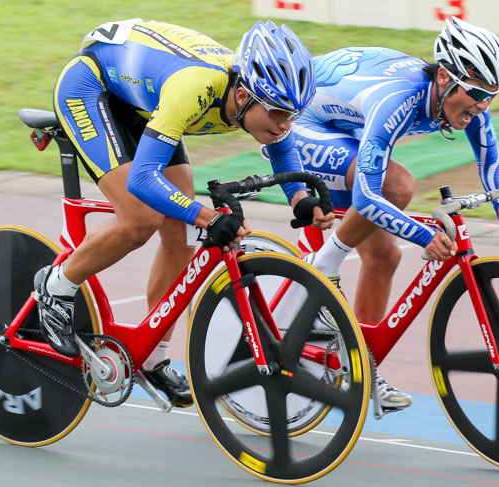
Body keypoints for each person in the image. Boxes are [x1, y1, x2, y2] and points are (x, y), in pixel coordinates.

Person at [31, 18, 332, 407]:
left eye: (293, 114)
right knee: (141, 218)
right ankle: (56, 286)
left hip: (146, 101)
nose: (285, 124)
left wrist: (298, 198)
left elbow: (281, 147)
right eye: (277, 114)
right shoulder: (196, 89)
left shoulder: (266, 99)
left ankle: (152, 357)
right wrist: (208, 217)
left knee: (181, 232)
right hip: (92, 89)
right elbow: (142, 180)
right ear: (243, 97)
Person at [280, 17, 499, 413]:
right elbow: (369, 197)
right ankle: (324, 265)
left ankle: (359, 365)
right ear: (444, 77)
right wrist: (423, 237)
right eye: (476, 93)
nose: (482, 106)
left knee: (385, 257)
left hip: (344, 124)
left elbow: (489, 156)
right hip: (301, 123)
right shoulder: (400, 100)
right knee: (398, 186)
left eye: (492, 96)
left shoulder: (469, 101)